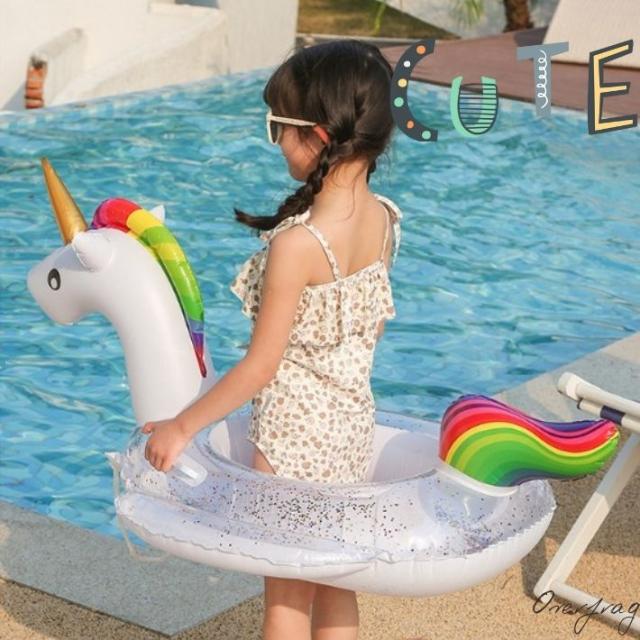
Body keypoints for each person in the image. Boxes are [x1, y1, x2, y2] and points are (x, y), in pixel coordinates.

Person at [141, 38, 402, 640]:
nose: (277, 142)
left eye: (277, 128)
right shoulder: (385, 219)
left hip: (290, 443)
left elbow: (261, 367)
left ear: (317, 136)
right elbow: (372, 326)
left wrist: (182, 427)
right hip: (349, 430)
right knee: (335, 582)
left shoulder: (297, 245)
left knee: (285, 599)